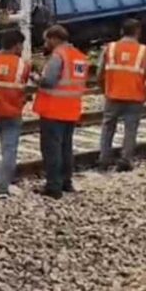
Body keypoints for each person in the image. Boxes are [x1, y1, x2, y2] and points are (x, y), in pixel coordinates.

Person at [33, 25, 89, 199]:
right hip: (71, 109)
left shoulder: (58, 56)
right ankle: (66, 181)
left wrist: (35, 77)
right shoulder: (80, 57)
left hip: (53, 109)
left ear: (54, 38)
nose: (46, 44)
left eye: (47, 40)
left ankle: (53, 186)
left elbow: (48, 81)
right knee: (66, 148)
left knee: (52, 149)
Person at [97, 19, 146, 172]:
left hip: (113, 95)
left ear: (121, 31)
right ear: (138, 32)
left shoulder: (110, 48)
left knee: (108, 127)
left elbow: (99, 73)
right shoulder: (144, 50)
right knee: (131, 129)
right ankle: (125, 160)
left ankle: (104, 159)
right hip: (135, 97)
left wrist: (105, 89)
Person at [0, 31, 32, 198]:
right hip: (12, 112)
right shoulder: (23, 65)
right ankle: (2, 187)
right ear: (16, 45)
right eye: (21, 45)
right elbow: (24, 87)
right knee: (9, 151)